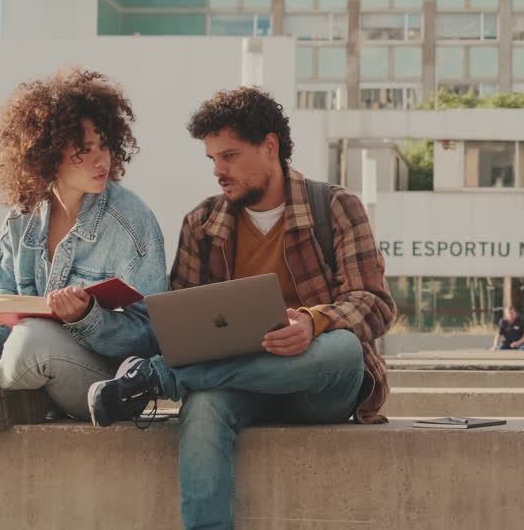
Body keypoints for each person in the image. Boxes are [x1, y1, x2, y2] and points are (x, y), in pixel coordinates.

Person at [87, 86, 396, 530]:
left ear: (270, 147)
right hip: (238, 384)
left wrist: (313, 322)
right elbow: (180, 324)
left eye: (229, 156)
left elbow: (375, 303)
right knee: (204, 408)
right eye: (212, 159)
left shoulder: (335, 206)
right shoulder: (201, 224)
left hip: (317, 385)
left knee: (344, 348)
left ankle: (158, 379)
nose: (218, 170)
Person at [0, 68, 166, 429]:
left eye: (105, 145)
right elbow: (0, 322)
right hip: (20, 362)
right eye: (85, 151)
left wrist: (86, 318)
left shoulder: (131, 222)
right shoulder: (20, 219)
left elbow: (152, 335)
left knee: (33, 337)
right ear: (47, 156)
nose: (103, 160)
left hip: (96, 382)